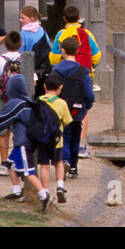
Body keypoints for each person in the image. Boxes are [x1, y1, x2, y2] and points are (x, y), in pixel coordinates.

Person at [0, 73, 55, 212]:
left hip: (24, 141)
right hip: (27, 141)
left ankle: (44, 195)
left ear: (11, 89)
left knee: (28, 171)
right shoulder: (27, 101)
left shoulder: (15, 103)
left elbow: (4, 118)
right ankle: (17, 191)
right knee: (11, 164)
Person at [50, 5, 103, 160]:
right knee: (82, 110)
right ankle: (81, 145)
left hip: (64, 78)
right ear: (79, 17)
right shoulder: (87, 34)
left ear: (64, 18)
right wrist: (89, 66)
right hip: (84, 75)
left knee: (63, 107)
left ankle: (63, 146)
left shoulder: (61, 34)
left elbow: (53, 57)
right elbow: (97, 55)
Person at [52, 37, 95, 179]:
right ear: (77, 50)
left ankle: (63, 160)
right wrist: (87, 105)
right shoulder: (83, 71)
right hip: (77, 109)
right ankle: (74, 167)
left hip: (60, 108)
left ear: (62, 50)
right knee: (75, 138)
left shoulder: (56, 70)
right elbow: (88, 93)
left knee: (63, 136)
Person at [0, 30, 23, 173]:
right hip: (20, 102)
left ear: (5, 45)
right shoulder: (24, 59)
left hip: (4, 100)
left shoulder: (0, 60)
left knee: (3, 132)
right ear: (20, 44)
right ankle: (18, 160)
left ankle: (4, 163)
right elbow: (33, 82)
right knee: (19, 131)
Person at [37, 72, 75, 200]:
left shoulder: (39, 101)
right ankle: (60, 186)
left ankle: (45, 191)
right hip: (57, 140)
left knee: (44, 165)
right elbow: (67, 121)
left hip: (42, 139)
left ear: (44, 86)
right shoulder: (62, 103)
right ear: (60, 88)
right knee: (58, 162)